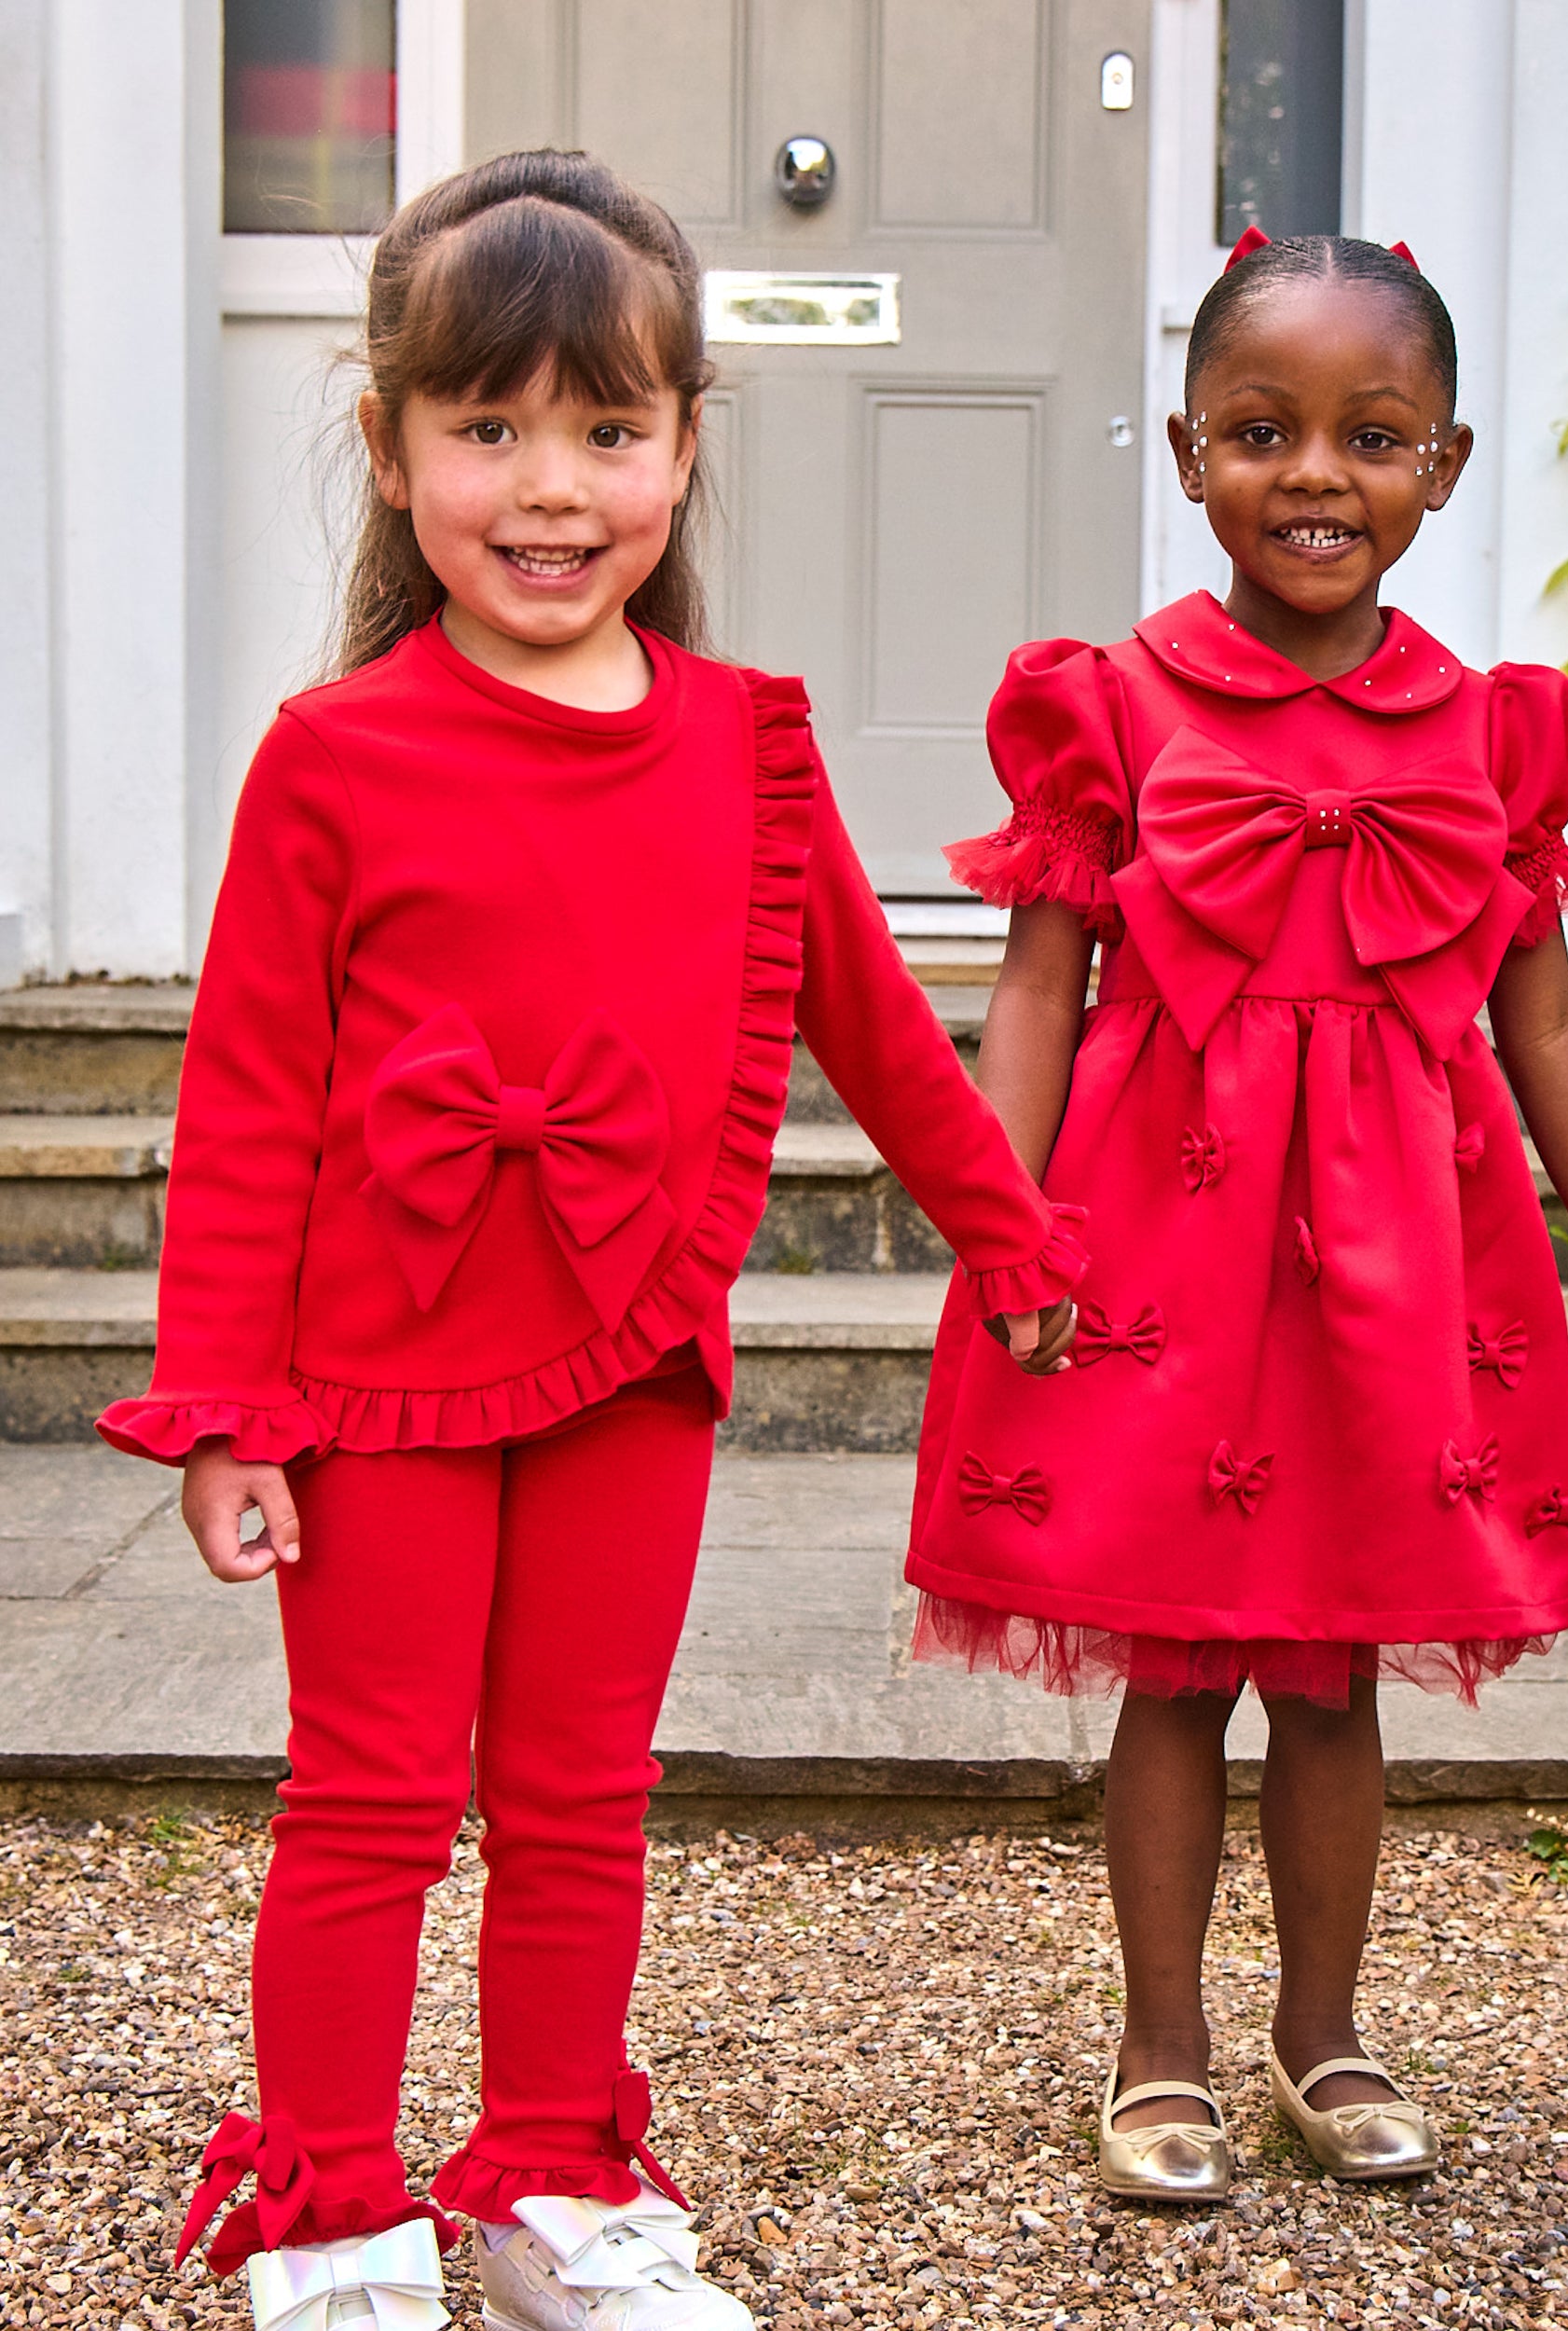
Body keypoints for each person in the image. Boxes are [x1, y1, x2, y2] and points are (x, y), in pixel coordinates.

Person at [98, 150, 1082, 2331]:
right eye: (488, 427)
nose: (550, 488)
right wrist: (224, 1408)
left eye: (607, 430)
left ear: (684, 445)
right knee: (369, 1799)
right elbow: (246, 1101)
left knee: (579, 1794)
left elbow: (873, 1025)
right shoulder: (329, 756)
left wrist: (1010, 1237)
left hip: (632, 1349)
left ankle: (551, 2181)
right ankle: (333, 2210)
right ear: (390, 446)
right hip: (375, 1373)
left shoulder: (751, 746)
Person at [907, 227, 1568, 2198]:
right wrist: (1003, 1226)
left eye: (1372, 434)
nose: (1315, 475)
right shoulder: (1110, 706)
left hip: (1394, 1265)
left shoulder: (1494, 731)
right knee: (1178, 1661)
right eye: (1263, 429)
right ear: (1192, 448)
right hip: (1164, 1256)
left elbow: (1542, 1025)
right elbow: (1037, 991)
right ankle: (1161, 2045)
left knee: (1336, 1667)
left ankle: (1324, 2030)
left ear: (1443, 462)